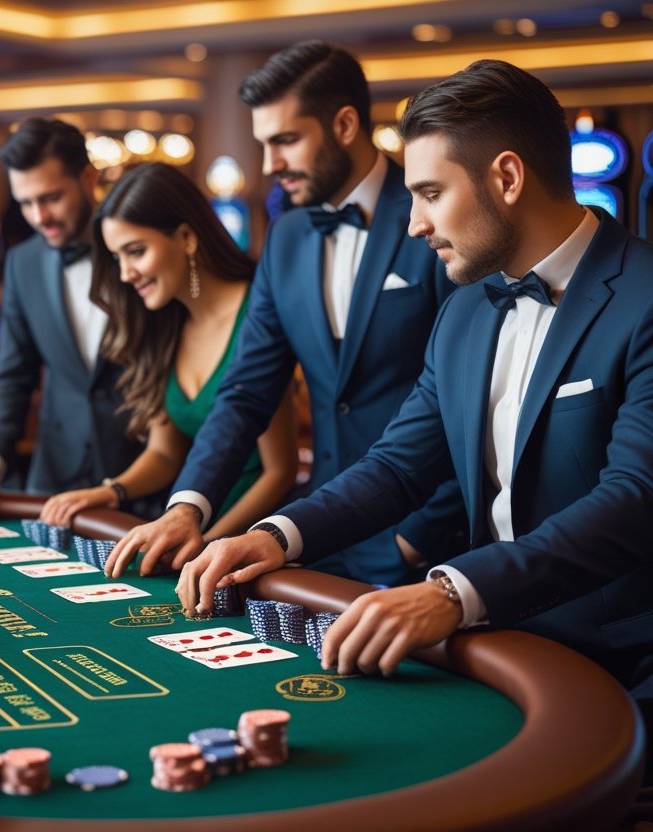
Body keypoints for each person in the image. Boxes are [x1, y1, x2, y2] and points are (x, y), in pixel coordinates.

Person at [177, 60, 653, 763]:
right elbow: (399, 466)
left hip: (622, 666)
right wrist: (277, 535)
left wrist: (451, 590)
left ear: (507, 178)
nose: (418, 223)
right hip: (490, 647)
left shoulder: (643, 297)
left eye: (431, 193)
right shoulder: (465, 310)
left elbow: (634, 499)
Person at [107, 40, 462, 586]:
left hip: (420, 542)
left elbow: (467, 397)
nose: (270, 165)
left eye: (286, 141)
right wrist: (188, 507)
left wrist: (416, 540)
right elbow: (247, 391)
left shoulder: (431, 215)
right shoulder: (287, 235)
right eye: (264, 144)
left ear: (345, 124)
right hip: (315, 531)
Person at [39, 162, 297, 539]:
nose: (126, 273)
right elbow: (164, 453)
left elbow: (280, 471)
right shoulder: (164, 324)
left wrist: (208, 544)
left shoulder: (258, 314)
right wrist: (110, 491)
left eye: (136, 251)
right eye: (117, 258)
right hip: (187, 524)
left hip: (257, 539)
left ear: (187, 238)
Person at [0, 118, 144, 520]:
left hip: (143, 477)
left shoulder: (139, 250)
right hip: (54, 481)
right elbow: (12, 374)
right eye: (25, 203)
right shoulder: (22, 262)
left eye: (50, 198)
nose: (38, 216)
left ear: (88, 177)